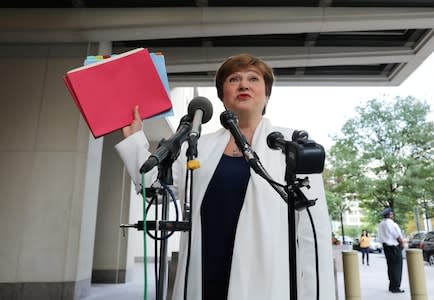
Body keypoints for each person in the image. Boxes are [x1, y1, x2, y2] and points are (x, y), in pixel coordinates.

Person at [115, 54, 333, 300]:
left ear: (267, 95)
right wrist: (134, 140)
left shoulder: (292, 145)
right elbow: (152, 186)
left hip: (264, 278)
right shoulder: (196, 147)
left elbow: (313, 233)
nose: (243, 85)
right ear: (222, 96)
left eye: (253, 79)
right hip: (204, 270)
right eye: (233, 79)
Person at [377, 208, 405, 293]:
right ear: (389, 215)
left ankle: (391, 285)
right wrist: (402, 243)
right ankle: (396, 286)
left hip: (386, 247)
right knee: (397, 267)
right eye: (392, 214)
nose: (393, 215)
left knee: (390, 267)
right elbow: (396, 235)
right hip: (394, 246)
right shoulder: (391, 224)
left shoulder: (381, 224)